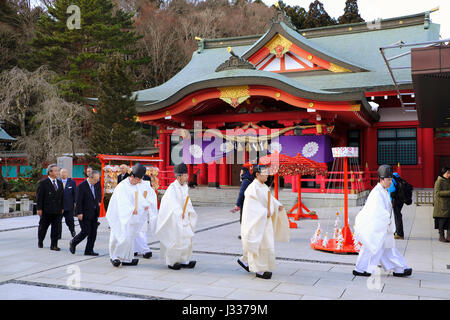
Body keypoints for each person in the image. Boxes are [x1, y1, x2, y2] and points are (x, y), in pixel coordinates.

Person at [353, 165, 412, 277]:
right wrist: (386, 218)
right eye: (388, 179)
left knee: (386, 248)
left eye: (391, 179)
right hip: (377, 226)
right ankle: (362, 269)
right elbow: (376, 209)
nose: (390, 182)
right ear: (381, 179)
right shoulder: (376, 193)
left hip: (382, 226)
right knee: (375, 248)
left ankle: (399, 268)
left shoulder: (383, 190)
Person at [237, 165, 290, 280]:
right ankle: (259, 270)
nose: (267, 174)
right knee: (259, 244)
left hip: (264, 220)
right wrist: (264, 211)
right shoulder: (252, 188)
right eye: (265, 172)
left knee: (264, 243)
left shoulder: (263, 186)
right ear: (257, 174)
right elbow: (252, 207)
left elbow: (269, 198)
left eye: (267, 172)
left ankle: (245, 261)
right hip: (257, 221)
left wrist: (277, 205)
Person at [155, 163, 198, 270]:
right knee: (175, 240)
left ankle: (184, 260)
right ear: (178, 177)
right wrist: (179, 212)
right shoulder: (172, 188)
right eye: (185, 175)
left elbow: (187, 201)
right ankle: (172, 261)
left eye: (187, 175)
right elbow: (171, 202)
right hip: (175, 218)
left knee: (187, 238)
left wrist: (189, 211)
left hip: (184, 217)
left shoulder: (184, 187)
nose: (187, 177)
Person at [106, 163, 150, 267]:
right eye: (138, 179)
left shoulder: (136, 185)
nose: (139, 182)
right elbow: (122, 201)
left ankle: (126, 258)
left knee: (130, 237)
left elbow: (140, 198)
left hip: (131, 217)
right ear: (132, 176)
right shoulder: (122, 186)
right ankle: (115, 257)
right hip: (120, 217)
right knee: (120, 236)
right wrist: (131, 210)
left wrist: (144, 205)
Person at [70, 170, 101, 256]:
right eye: (95, 179)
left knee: (93, 233)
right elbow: (78, 201)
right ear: (90, 178)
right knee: (85, 231)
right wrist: (79, 212)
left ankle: (89, 250)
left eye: (98, 179)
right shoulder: (82, 186)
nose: (97, 181)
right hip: (84, 213)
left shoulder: (96, 184)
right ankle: (73, 242)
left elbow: (98, 195)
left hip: (94, 212)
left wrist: (98, 202)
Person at [37, 164, 64, 251]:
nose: (57, 172)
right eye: (55, 171)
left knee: (56, 228)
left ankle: (54, 245)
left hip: (57, 210)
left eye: (57, 170)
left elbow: (62, 196)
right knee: (43, 227)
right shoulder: (43, 183)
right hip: (46, 210)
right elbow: (39, 197)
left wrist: (62, 207)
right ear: (50, 172)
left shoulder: (59, 183)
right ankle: (40, 240)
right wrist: (39, 209)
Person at [133, 170, 158, 259]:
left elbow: (152, 197)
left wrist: (148, 204)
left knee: (142, 231)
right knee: (134, 231)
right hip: (134, 211)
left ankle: (145, 250)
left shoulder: (146, 185)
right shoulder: (131, 184)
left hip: (143, 211)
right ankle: (136, 249)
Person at [231, 165, 253, 239]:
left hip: (245, 202)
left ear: (243, 172)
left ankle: (244, 234)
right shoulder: (250, 179)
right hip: (250, 202)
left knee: (243, 218)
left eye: (240, 172)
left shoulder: (245, 180)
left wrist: (237, 204)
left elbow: (241, 193)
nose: (240, 174)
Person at [388, 172, 408, 239]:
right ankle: (397, 232)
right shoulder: (398, 178)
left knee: (396, 216)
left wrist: (390, 199)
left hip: (395, 200)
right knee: (397, 215)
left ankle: (399, 234)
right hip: (401, 200)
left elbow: (392, 189)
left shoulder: (392, 179)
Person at [58, 168, 77, 238]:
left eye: (65, 172)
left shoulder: (72, 182)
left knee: (69, 220)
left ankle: (72, 230)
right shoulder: (57, 182)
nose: (63, 174)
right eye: (62, 173)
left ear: (67, 174)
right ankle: (58, 235)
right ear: (60, 174)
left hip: (69, 205)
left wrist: (75, 202)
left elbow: (75, 193)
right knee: (58, 221)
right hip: (59, 206)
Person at [433, 166, 450, 243]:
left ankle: (449, 236)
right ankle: (441, 236)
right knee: (442, 222)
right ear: (443, 173)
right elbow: (437, 192)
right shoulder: (439, 181)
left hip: (448, 205)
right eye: (447, 173)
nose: (449, 175)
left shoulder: (448, 180)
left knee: (449, 222)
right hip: (441, 205)